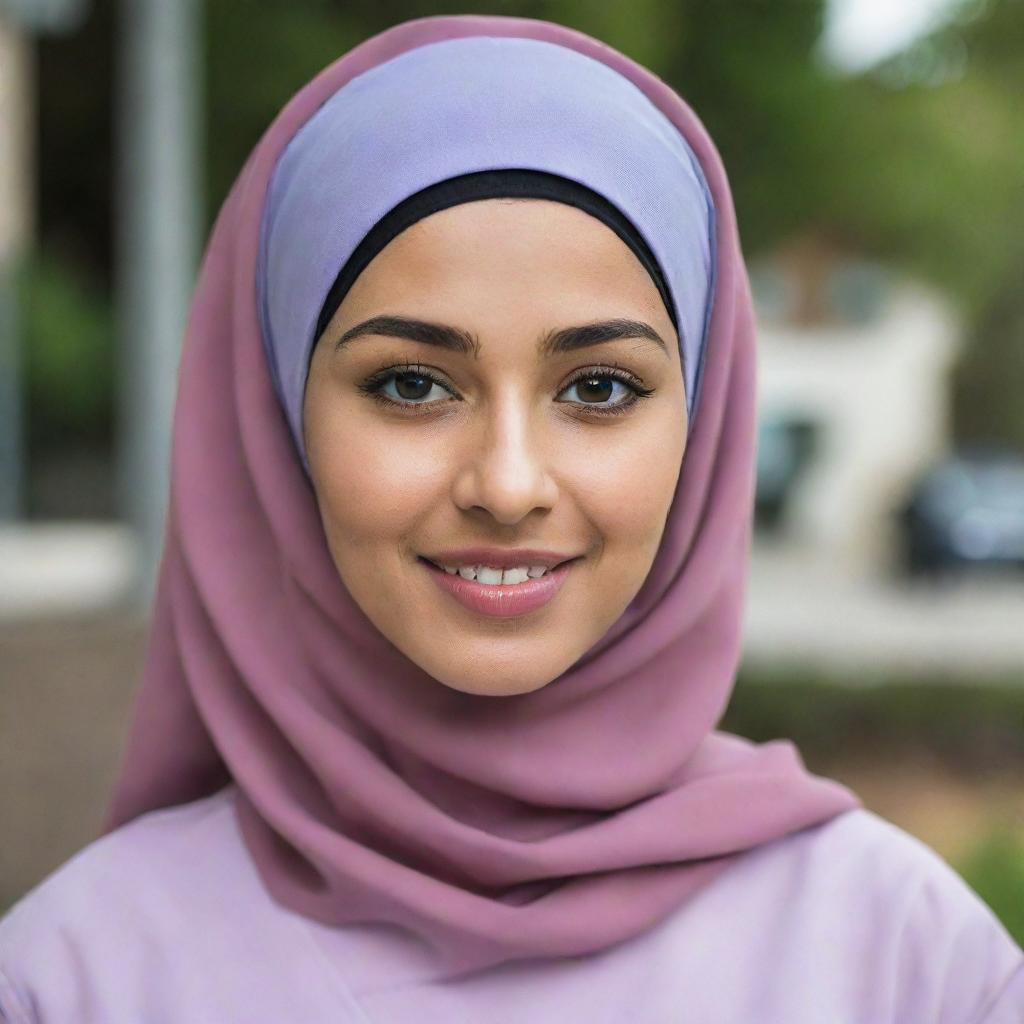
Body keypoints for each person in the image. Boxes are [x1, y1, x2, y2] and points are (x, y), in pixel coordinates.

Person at [1, 13, 1021, 1023]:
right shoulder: (76, 978)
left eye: (601, 388)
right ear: (279, 420)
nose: (508, 482)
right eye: (410, 384)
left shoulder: (907, 965)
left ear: (703, 423)